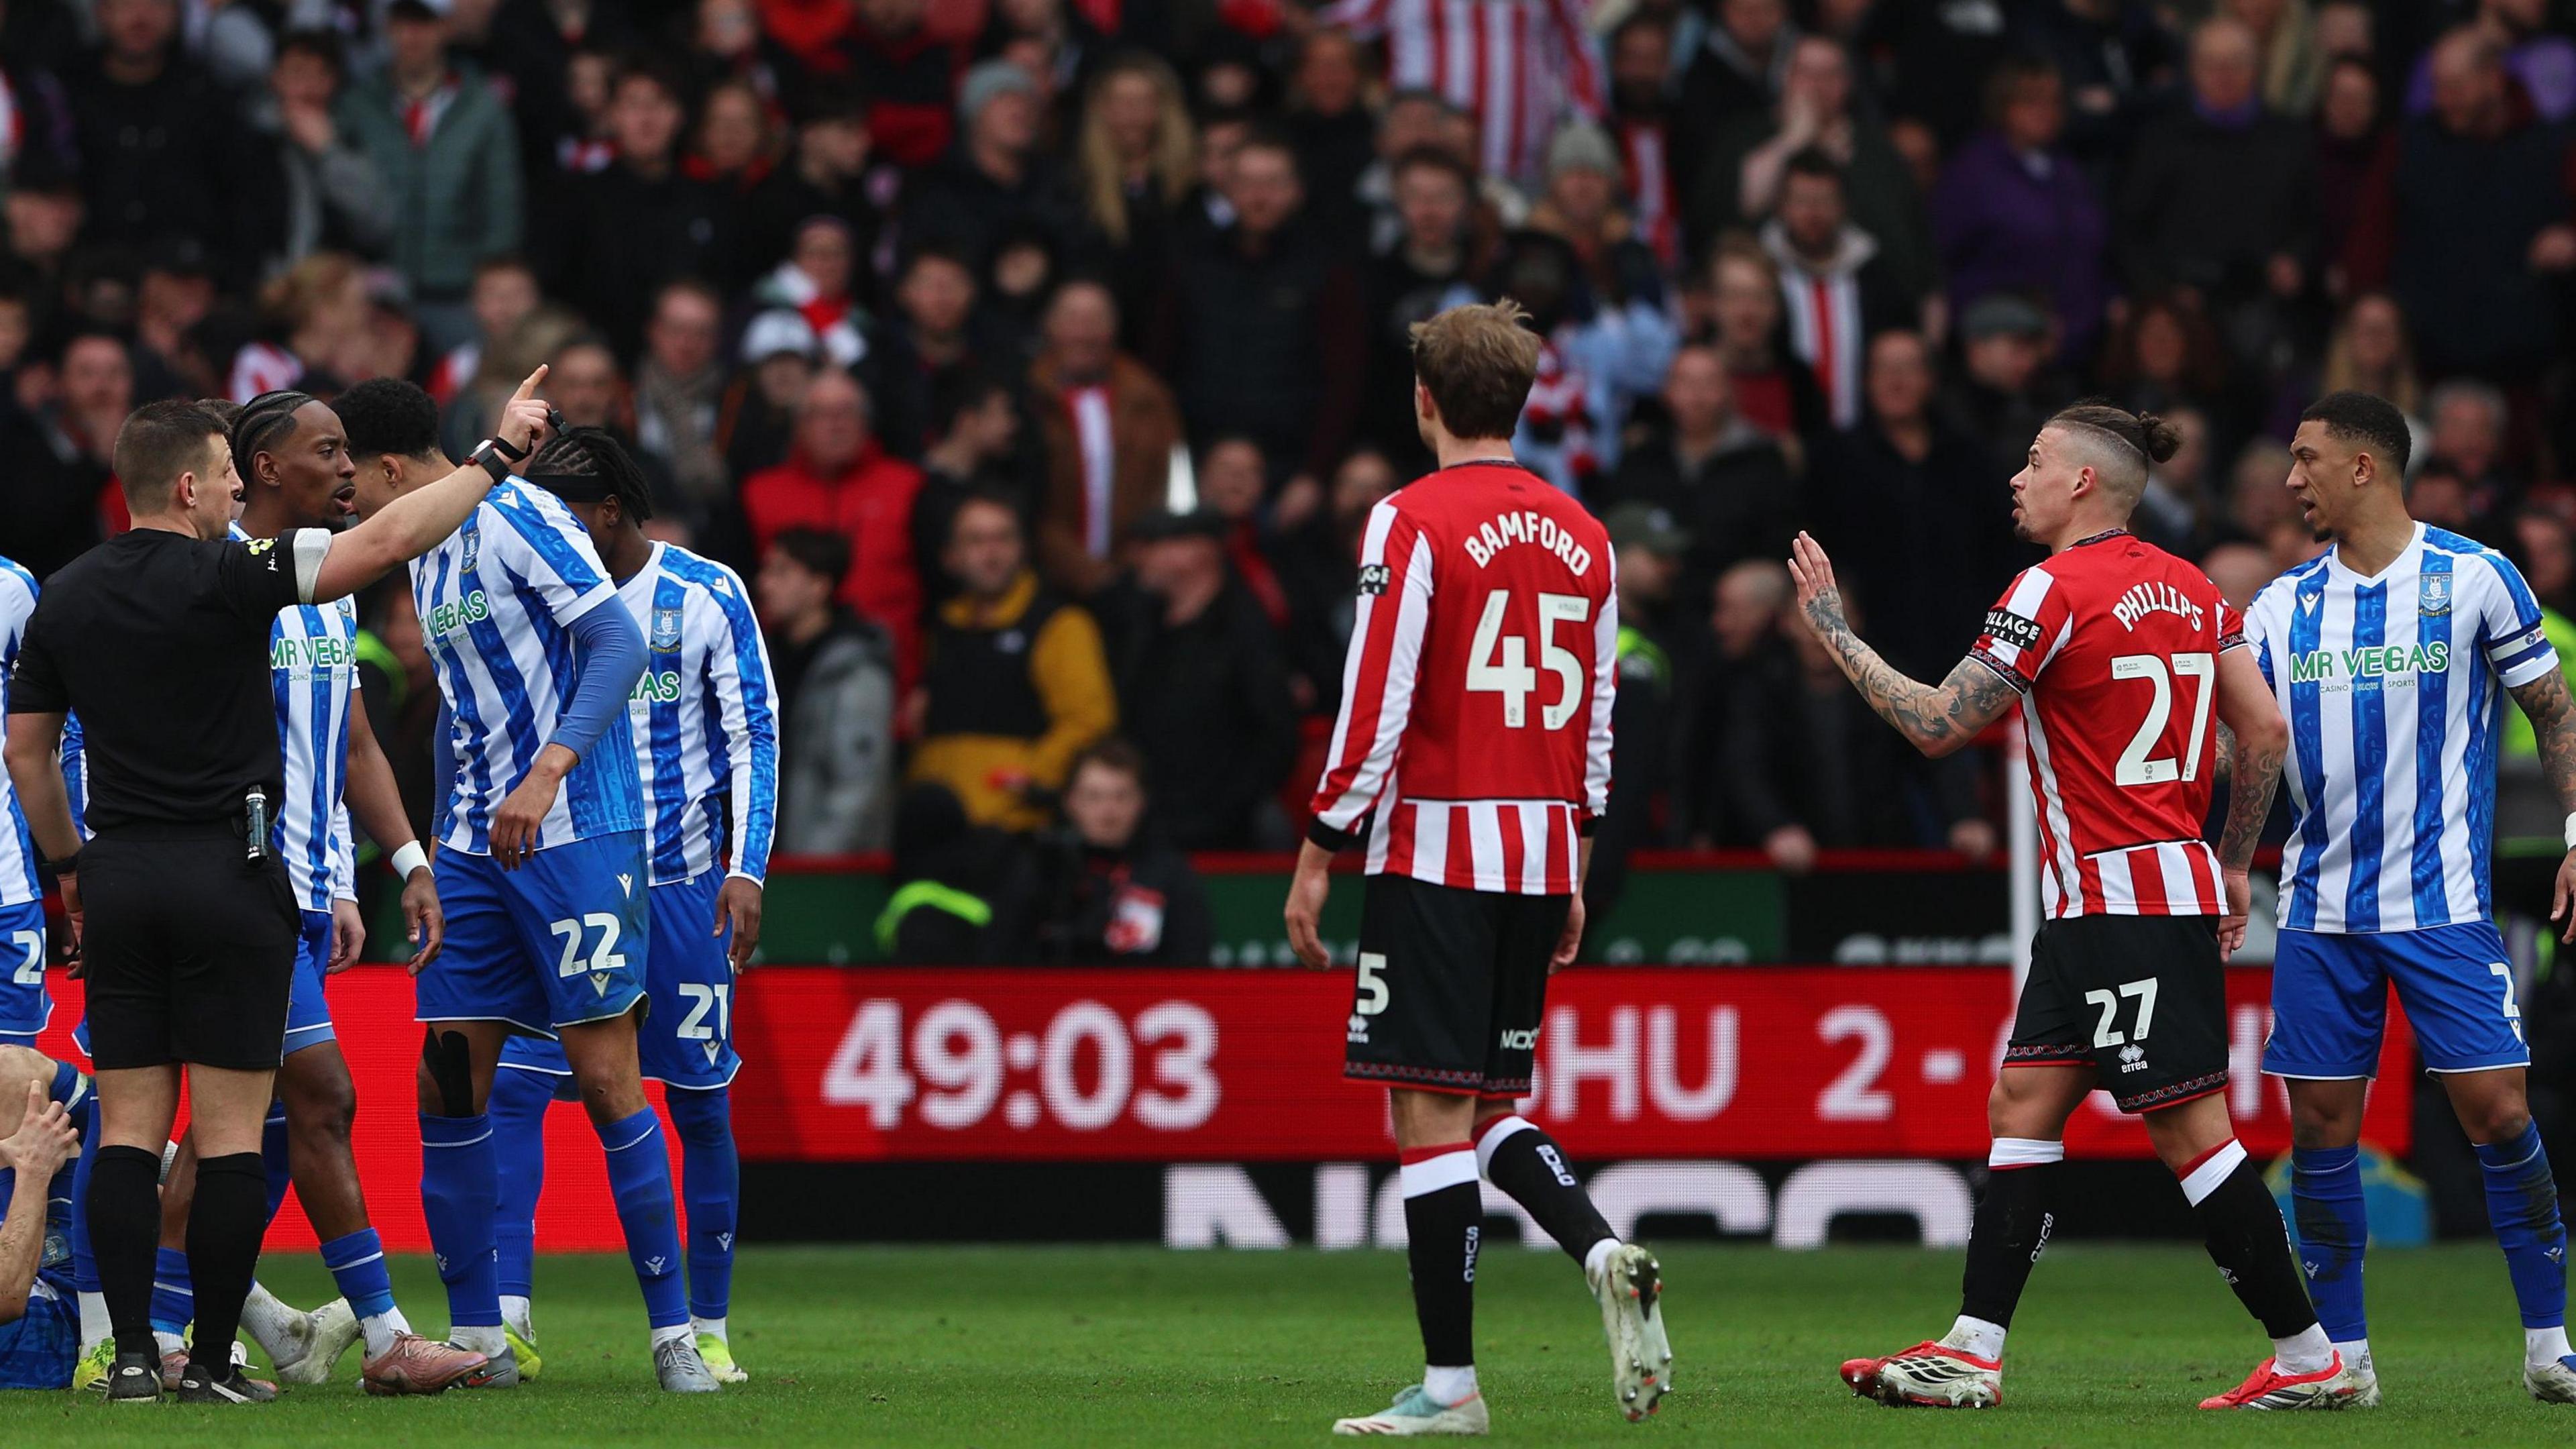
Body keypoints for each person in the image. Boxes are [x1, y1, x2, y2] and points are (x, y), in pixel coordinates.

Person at [3, 378, 553, 1405]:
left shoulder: (66, 593)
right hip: (230, 871)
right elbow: (388, 544)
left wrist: (71, 865)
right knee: (226, 1137)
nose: (223, 494)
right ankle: (211, 1362)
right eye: (217, 476)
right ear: (189, 485)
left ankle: (123, 1355)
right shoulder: (233, 574)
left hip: (118, 874)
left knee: (127, 1129)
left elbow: (25, 749)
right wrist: (494, 458)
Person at [1806, 402, 2357, 1410]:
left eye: (2035, 462)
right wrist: (2231, 865)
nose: (2017, 478)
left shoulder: (2048, 590)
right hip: (2130, 903)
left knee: (2193, 1136)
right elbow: (2265, 731)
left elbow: (1936, 723)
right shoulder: (2191, 588)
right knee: (2021, 1106)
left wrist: (1837, 631)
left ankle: (2313, 1357)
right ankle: (1973, 1349)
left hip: (2118, 906)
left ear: (2084, 485)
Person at [1284, 301, 1669, 1435]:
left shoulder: (1409, 520)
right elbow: (1598, 719)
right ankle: (1602, 1250)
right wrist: (1580, 866)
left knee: (1425, 1114)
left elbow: (1377, 700)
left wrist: (1320, 848)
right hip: (1543, 851)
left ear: (1424, 401)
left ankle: (1451, 1388)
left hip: (1440, 850)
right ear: (1527, 399)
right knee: (1492, 1099)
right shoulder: (1587, 534)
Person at [329, 378, 720, 1393]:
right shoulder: (426, 547)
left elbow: (619, 640)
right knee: (448, 1079)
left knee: (603, 1078)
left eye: (349, 476)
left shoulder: (517, 515)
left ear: (384, 468)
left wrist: (547, 773)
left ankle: (675, 1337)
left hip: (577, 831)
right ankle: (481, 1345)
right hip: (474, 848)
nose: (349, 499)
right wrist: (429, 850)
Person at [125, 389, 487, 1397]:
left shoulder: (327, 589)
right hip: (237, 888)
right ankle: (384, 1336)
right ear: (265, 469)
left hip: (304, 895)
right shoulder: (220, 584)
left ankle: (154, 1335)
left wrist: (401, 863)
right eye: (326, 451)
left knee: (252, 1129)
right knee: (321, 1098)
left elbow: (353, 739)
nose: (345, 467)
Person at [2243, 391, 2576, 1407]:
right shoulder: (2278, 606)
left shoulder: (2474, 579)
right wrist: (2224, 857)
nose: (2289, 479)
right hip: (2319, 914)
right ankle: (2343, 1361)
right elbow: (2248, 745)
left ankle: (2549, 1346)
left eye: (2305, 458)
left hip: (2444, 904)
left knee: (2499, 1111)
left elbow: (2552, 711)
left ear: (2363, 467)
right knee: (2322, 1134)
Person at [485, 428, 776, 1388]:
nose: (547, 534)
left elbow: (753, 736)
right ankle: (511, 1320)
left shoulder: (704, 593)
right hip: (566, 875)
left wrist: (748, 869)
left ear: (609, 513)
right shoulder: (533, 596)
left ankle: (710, 1325)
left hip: (685, 884)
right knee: (520, 1089)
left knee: (698, 1104)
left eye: (566, 516)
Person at [908, 492, 1116, 832]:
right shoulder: (942, 625)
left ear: (1023, 549)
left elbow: (1089, 722)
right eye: (975, 540)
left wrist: (1029, 780)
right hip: (937, 828)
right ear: (950, 557)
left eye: (1004, 538)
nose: (992, 553)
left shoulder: (1060, 624)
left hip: (1016, 829)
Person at [1031, 280, 1182, 598]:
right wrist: (1083, 571)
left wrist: (1141, 556)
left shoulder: (1149, 399)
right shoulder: (1026, 399)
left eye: (1095, 322)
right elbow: (1024, 500)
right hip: (1043, 582)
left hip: (1136, 582)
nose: (1084, 334)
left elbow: (1170, 485)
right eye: (1073, 320)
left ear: (1114, 330)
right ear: (1050, 327)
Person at [757, 529, 898, 853]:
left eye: (781, 571)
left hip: (826, 870)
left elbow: (858, 785)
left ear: (820, 586)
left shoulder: (856, 669)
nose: (765, 584)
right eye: (766, 570)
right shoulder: (764, 659)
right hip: (765, 862)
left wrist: (816, 863)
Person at [1028, 739, 1212, 963]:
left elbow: (1193, 962)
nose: (1108, 811)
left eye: (1121, 797)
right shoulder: (1043, 869)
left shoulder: (1169, 874)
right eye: (1094, 797)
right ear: (1070, 801)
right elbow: (1005, 962)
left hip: (1147, 995)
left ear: (1142, 801)